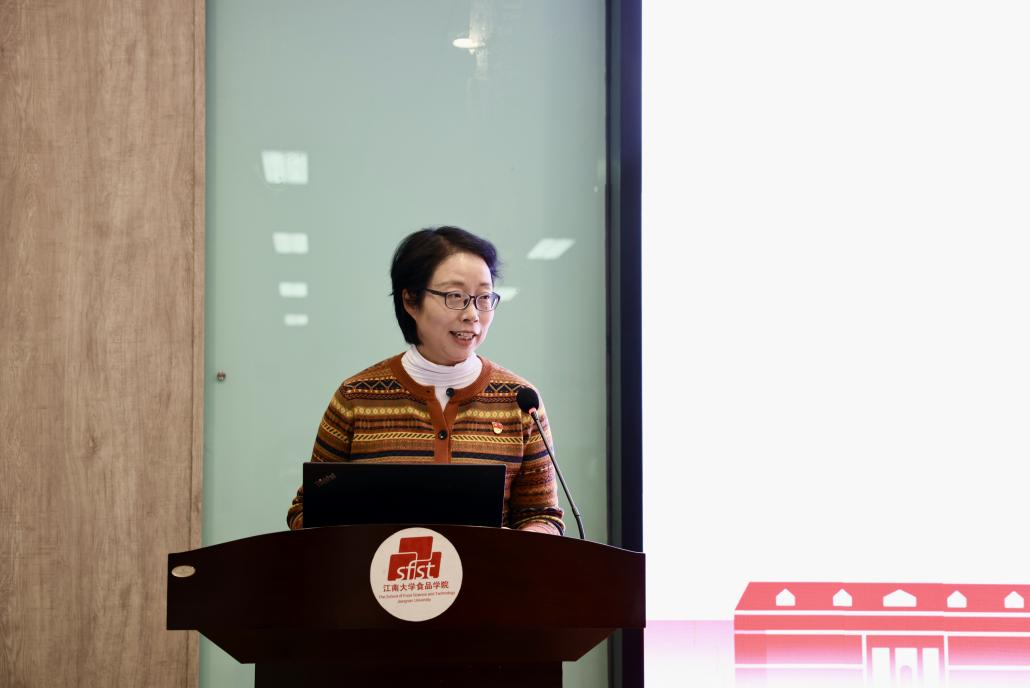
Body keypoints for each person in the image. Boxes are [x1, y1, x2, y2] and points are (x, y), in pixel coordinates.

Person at [286, 226, 564, 534]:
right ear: (411, 301)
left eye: (484, 297)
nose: (472, 314)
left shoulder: (520, 401)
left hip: (489, 567)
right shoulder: (356, 397)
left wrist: (523, 541)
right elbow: (306, 511)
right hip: (376, 566)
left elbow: (543, 515)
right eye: (455, 296)